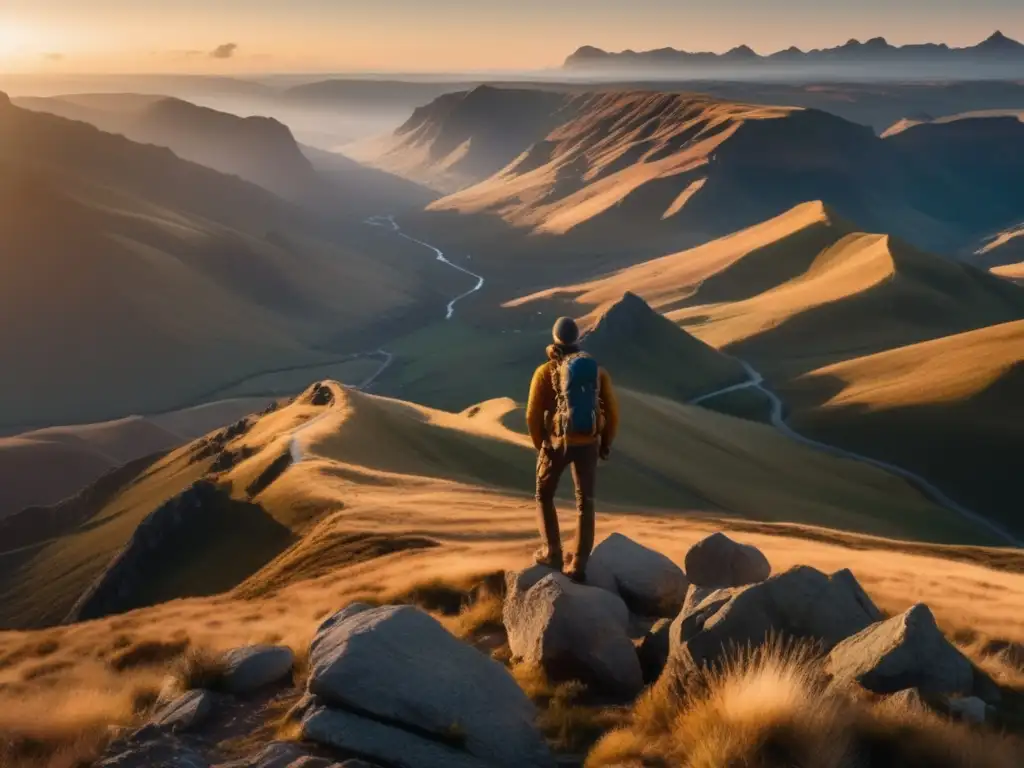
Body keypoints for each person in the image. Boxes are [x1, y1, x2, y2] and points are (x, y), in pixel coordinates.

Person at [526, 316, 619, 582]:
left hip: (556, 444)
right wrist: (605, 443)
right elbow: (611, 411)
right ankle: (578, 565)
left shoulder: (545, 372)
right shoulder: (596, 372)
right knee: (585, 502)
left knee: (544, 496)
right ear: (578, 339)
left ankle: (552, 553)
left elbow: (533, 414)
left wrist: (540, 445)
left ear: (555, 340)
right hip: (588, 443)